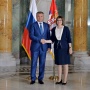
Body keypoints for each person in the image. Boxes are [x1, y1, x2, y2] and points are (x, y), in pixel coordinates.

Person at [29, 11, 51, 84]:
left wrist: (49, 46)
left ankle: (40, 78)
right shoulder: (33, 25)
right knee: (34, 63)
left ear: (43, 17)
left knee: (42, 63)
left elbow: (48, 36)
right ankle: (33, 78)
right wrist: (39, 40)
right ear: (36, 17)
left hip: (44, 48)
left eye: (41, 16)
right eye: (38, 16)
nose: (40, 17)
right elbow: (31, 36)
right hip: (35, 47)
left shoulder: (46, 25)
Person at [50, 16, 72, 85]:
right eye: (58, 20)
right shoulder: (54, 29)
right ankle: (59, 79)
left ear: (62, 21)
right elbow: (52, 39)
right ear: (56, 21)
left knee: (65, 64)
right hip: (57, 48)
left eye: (60, 20)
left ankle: (64, 80)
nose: (59, 21)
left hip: (65, 48)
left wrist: (70, 47)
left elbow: (69, 39)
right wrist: (45, 41)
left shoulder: (66, 29)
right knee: (59, 64)